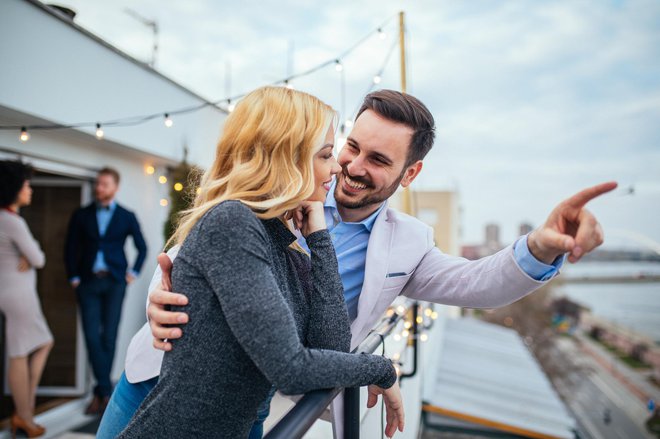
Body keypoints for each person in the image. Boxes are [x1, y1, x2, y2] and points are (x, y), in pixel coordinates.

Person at [137, 90, 616, 437]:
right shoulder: (281, 193)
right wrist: (158, 302)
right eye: (350, 147)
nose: (352, 166)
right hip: (161, 379)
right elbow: (185, 263)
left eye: (379, 159)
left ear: (410, 173)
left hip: (255, 403)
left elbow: (478, 284)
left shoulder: (408, 244)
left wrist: (541, 247)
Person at [109, 86, 404, 438]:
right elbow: (290, 368)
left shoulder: (284, 243)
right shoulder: (233, 222)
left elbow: (330, 348)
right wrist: (381, 369)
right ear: (286, 158)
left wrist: (319, 240)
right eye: (326, 155)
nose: (337, 168)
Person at [64, 167, 147, 415]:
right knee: (91, 337)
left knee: (109, 336)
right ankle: (105, 391)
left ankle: (100, 394)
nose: (99, 188)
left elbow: (142, 247)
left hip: (114, 283)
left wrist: (132, 273)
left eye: (104, 185)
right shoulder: (82, 215)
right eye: (98, 184)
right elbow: (70, 247)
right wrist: (74, 277)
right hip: (87, 282)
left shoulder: (126, 215)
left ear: (115, 187)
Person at [0, 160, 53, 438]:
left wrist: (26, 255)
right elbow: (39, 259)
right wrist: (28, 254)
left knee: (35, 345)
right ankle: (25, 416)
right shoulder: (12, 221)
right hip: (19, 295)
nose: (30, 189)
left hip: (10, 294)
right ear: (14, 188)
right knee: (20, 353)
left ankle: (25, 410)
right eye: (26, 184)